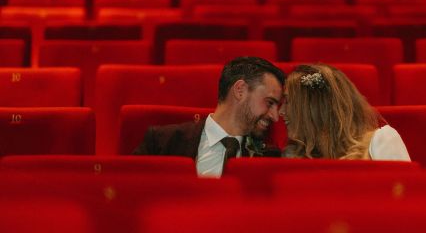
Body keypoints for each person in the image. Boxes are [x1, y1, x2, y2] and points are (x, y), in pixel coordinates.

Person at [133, 56, 285, 177]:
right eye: (270, 103)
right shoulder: (162, 142)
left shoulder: (271, 158)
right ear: (240, 90)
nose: (275, 116)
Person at [279, 63, 410, 161]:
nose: (280, 111)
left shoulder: (381, 141)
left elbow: (405, 194)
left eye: (288, 102)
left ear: (313, 107)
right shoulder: (294, 155)